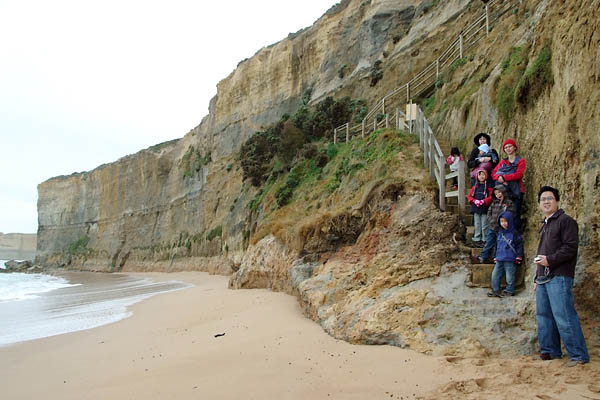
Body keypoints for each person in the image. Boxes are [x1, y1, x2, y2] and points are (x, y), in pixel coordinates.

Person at [533, 186, 589, 367]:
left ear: (557, 201)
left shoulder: (566, 221)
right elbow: (541, 252)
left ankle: (578, 355)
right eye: (543, 199)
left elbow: (570, 248)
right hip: (543, 278)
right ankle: (550, 351)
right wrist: (536, 277)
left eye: (550, 198)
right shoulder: (545, 225)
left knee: (564, 315)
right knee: (544, 316)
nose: (546, 202)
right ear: (539, 204)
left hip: (559, 276)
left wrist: (550, 260)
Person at [492, 138, 526, 232]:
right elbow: (494, 174)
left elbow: (519, 174)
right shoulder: (503, 162)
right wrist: (500, 178)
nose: (508, 149)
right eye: (506, 147)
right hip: (504, 191)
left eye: (510, 146)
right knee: (504, 214)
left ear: (514, 147)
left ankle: (515, 237)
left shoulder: (520, 160)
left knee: (515, 214)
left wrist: (504, 178)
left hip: (516, 190)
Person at [487, 211, 523, 297]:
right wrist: (495, 256)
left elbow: (519, 245)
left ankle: (510, 290)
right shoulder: (500, 233)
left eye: (505, 221)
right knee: (495, 275)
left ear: (510, 221)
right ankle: (496, 290)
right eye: (501, 221)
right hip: (500, 258)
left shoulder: (514, 234)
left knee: (509, 276)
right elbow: (497, 245)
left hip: (510, 258)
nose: (503, 223)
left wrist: (519, 256)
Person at [477, 184, 515, 263]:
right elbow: (489, 212)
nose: (498, 195)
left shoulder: (509, 203)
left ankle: (496, 257)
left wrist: (503, 222)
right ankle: (483, 257)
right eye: (496, 194)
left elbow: (510, 214)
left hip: (502, 228)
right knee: (489, 243)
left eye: (499, 192)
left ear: (503, 192)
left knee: (498, 244)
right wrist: (490, 220)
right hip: (492, 226)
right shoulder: (494, 203)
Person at [467, 169, 493, 247]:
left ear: (486, 176)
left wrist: (484, 201)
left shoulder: (488, 188)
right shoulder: (474, 187)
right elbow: (469, 196)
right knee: (477, 224)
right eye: (480, 175)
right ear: (477, 176)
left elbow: (491, 197)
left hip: (484, 208)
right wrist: (474, 201)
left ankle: (485, 239)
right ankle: (477, 238)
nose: (481, 176)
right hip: (476, 208)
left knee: (485, 224)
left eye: (483, 175)